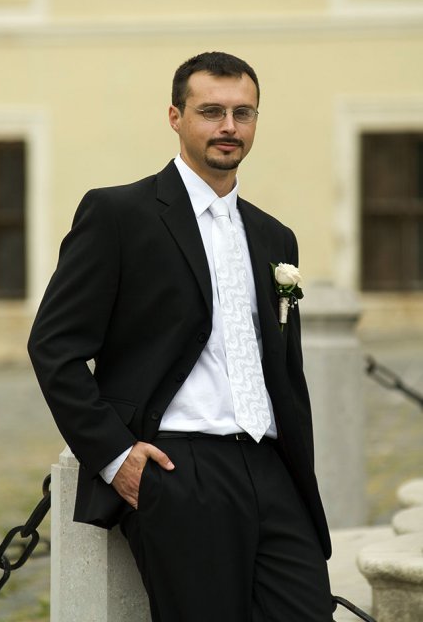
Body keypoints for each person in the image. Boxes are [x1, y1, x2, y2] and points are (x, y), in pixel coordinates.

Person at [28, 51, 334, 621]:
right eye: (211, 111)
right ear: (175, 116)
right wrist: (115, 457)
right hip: (178, 470)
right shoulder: (119, 214)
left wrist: (297, 471)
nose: (228, 127)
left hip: (272, 469)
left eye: (243, 113)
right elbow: (54, 347)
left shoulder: (275, 236)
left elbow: (285, 373)